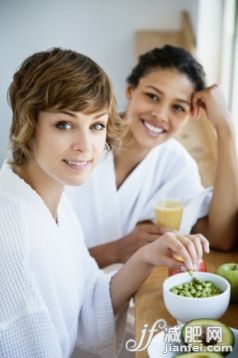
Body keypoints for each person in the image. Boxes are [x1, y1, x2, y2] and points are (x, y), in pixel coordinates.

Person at [0, 47, 209, 358]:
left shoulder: (51, 198)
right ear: (28, 124)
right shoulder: (14, 240)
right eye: (64, 124)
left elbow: (87, 297)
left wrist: (146, 257)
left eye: (97, 125)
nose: (86, 146)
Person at [67, 45, 238, 269]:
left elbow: (221, 237)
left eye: (178, 107)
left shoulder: (175, 163)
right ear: (130, 90)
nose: (161, 114)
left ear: (191, 115)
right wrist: (116, 251)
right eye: (152, 96)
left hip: (121, 297)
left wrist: (226, 129)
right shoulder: (78, 143)